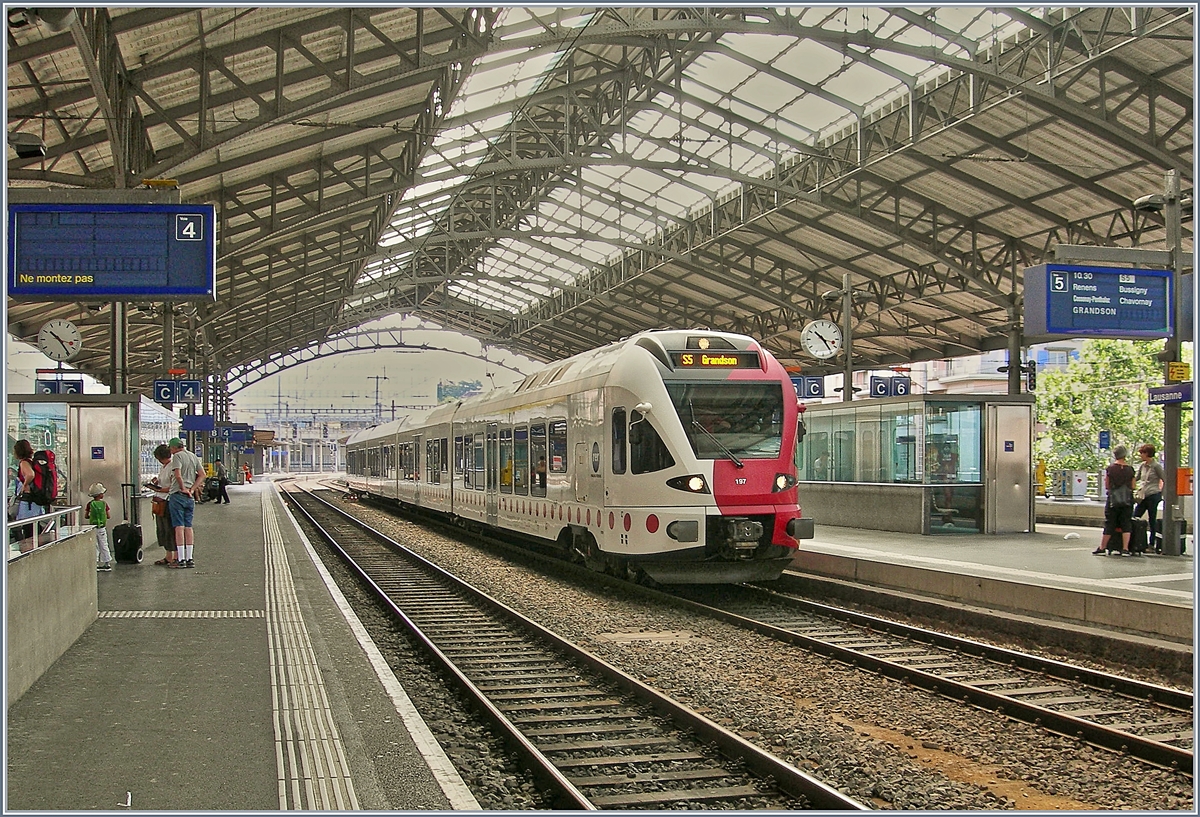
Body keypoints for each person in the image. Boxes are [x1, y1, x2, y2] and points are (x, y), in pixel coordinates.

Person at [167, 438, 204, 569]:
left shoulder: (177, 456)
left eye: (170, 449)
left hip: (178, 495)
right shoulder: (193, 456)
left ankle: (181, 559)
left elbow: (177, 475)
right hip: (190, 497)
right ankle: (190, 558)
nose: (171, 452)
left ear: (174, 447)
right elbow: (202, 474)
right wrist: (192, 489)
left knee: (179, 527)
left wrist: (182, 488)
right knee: (188, 527)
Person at [1095, 444, 1137, 556]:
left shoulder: (1111, 469)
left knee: (1110, 523)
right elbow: (1133, 486)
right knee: (1126, 523)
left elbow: (1107, 485)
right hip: (1127, 500)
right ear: (1125, 455)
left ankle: (1102, 547)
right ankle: (1125, 548)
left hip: (1113, 500)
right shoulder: (1130, 469)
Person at [144, 444, 178, 566]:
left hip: (167, 501)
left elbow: (173, 487)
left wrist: (158, 489)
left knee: (169, 529)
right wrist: (156, 483)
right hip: (160, 500)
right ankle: (168, 556)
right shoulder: (164, 467)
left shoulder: (172, 467)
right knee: (163, 529)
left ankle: (175, 556)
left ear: (159, 457)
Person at [12, 439, 45, 552]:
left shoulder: (24, 463)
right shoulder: (31, 461)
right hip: (34, 501)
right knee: (35, 528)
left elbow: (30, 474)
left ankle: (30, 551)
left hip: (28, 502)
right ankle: (38, 549)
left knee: (28, 527)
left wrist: (24, 485)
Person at [1134, 443, 1166, 554]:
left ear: (1147, 453)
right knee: (1135, 516)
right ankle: (1135, 541)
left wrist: (1161, 493)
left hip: (1153, 494)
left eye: (1142, 453)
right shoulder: (1143, 466)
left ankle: (1152, 544)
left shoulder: (1156, 466)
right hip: (1143, 495)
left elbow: (1164, 478)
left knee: (1152, 519)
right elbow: (1137, 478)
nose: (1141, 455)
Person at [86, 482, 113, 571]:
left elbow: (86, 516)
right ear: (100, 495)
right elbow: (108, 516)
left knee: (95, 545)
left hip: (93, 527)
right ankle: (107, 563)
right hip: (102, 527)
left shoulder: (90, 504)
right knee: (104, 544)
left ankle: (96, 563)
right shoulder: (104, 504)